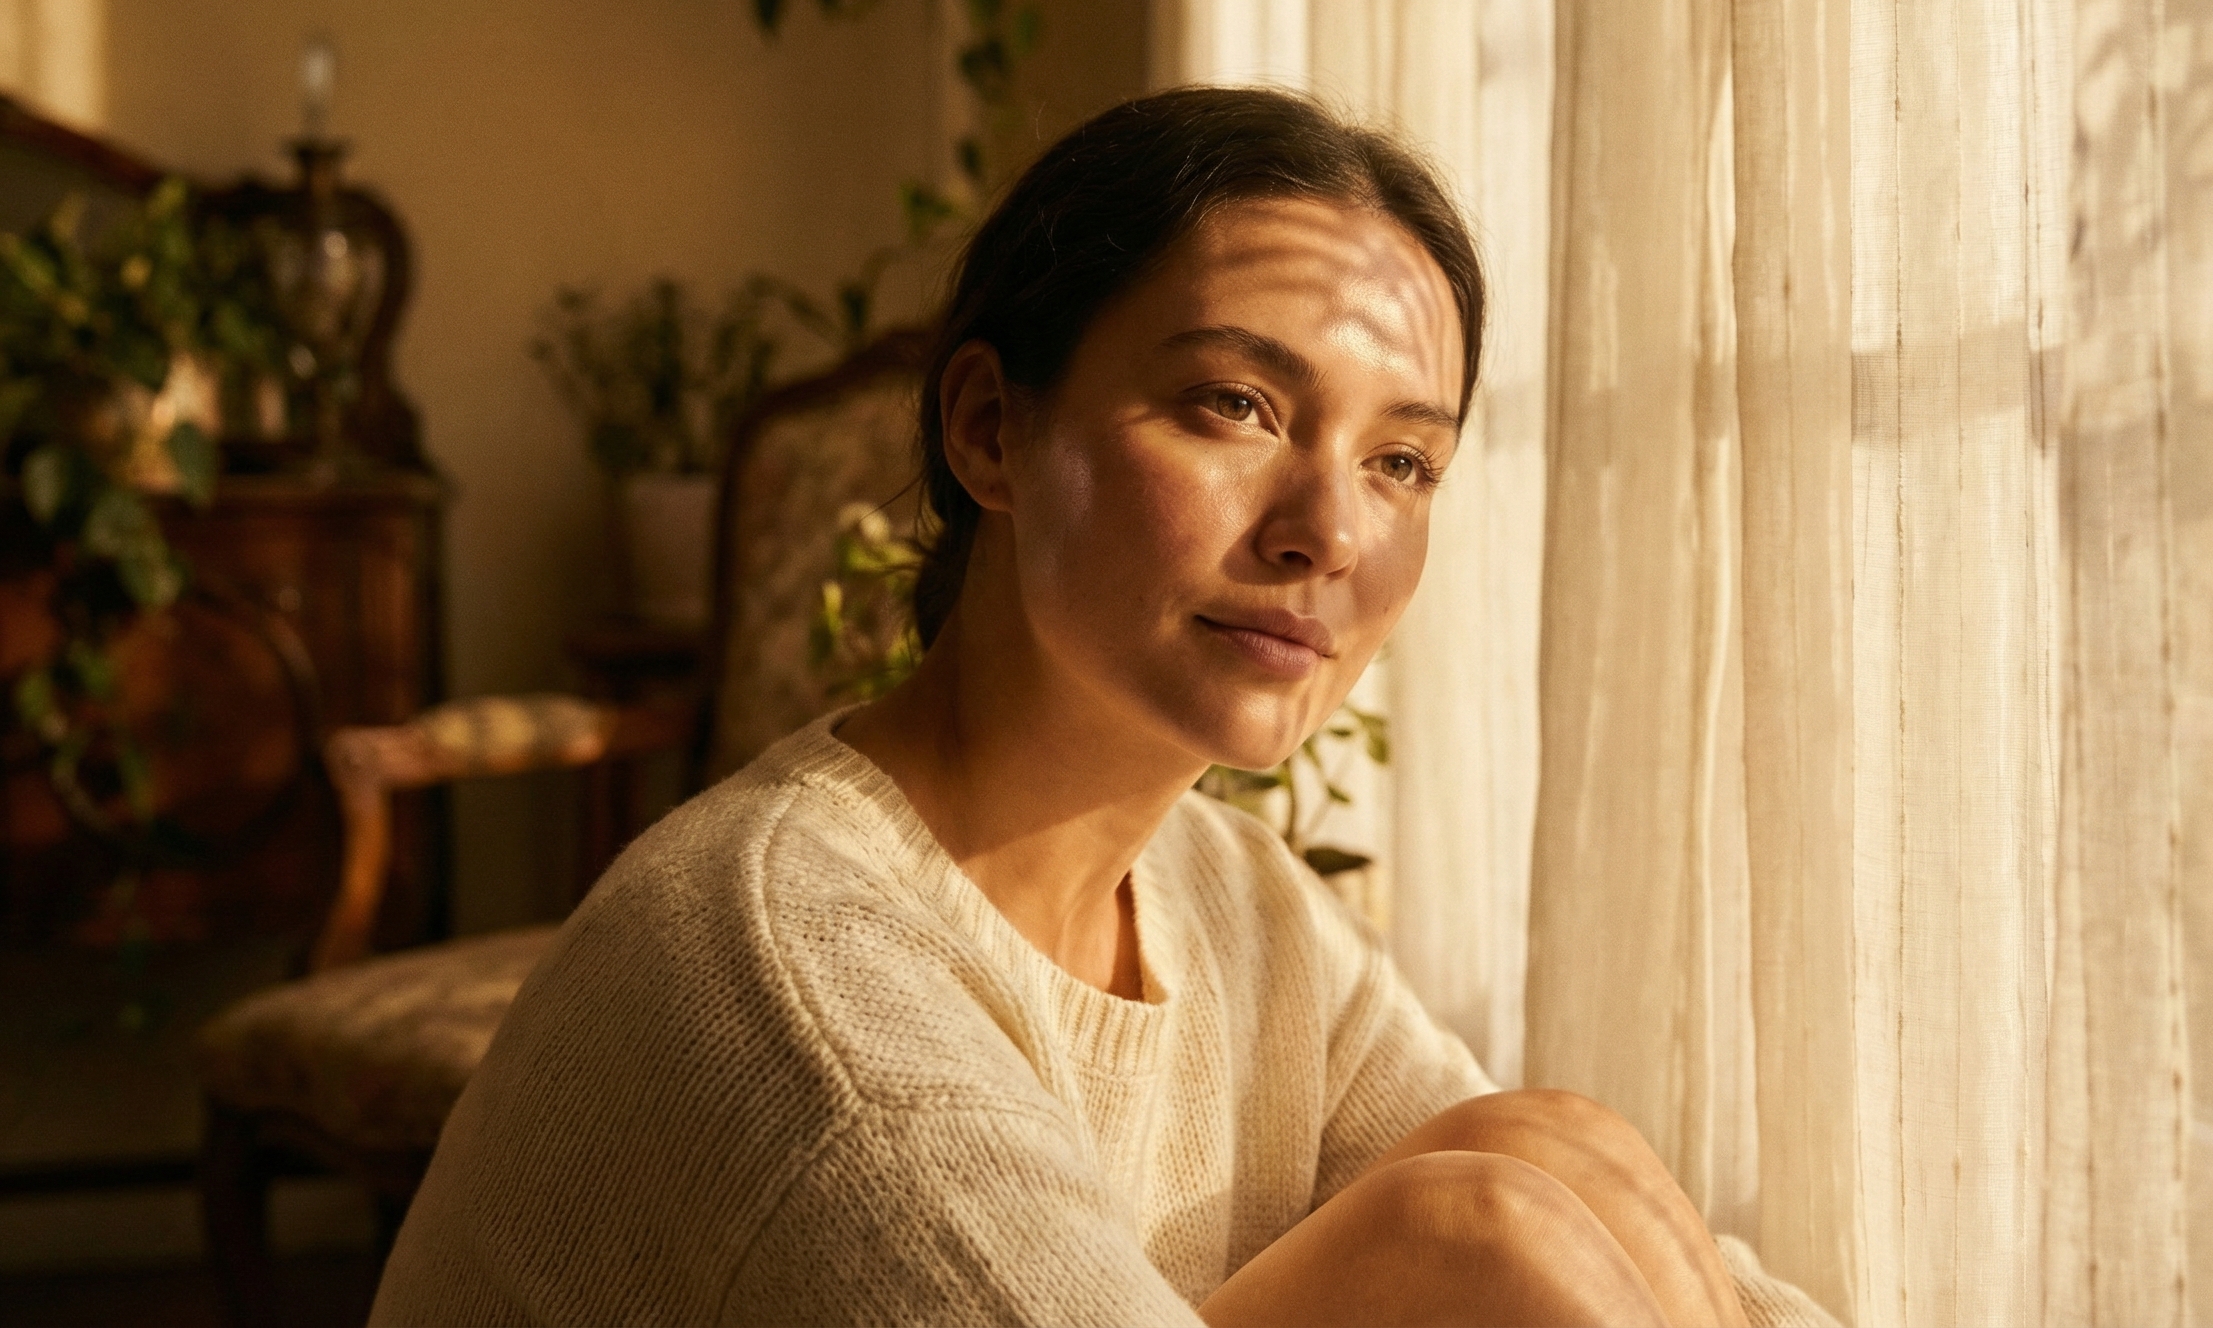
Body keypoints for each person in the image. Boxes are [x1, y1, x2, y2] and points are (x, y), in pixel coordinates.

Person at [373, 87, 1830, 1326]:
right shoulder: (801, 981)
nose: (1326, 529)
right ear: (991, 430)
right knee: (1465, 1231)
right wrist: (1439, 1248)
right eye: (1236, 406)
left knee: (1541, 1155)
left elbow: (1598, 1250)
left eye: (1402, 462)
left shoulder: (1228, 900)